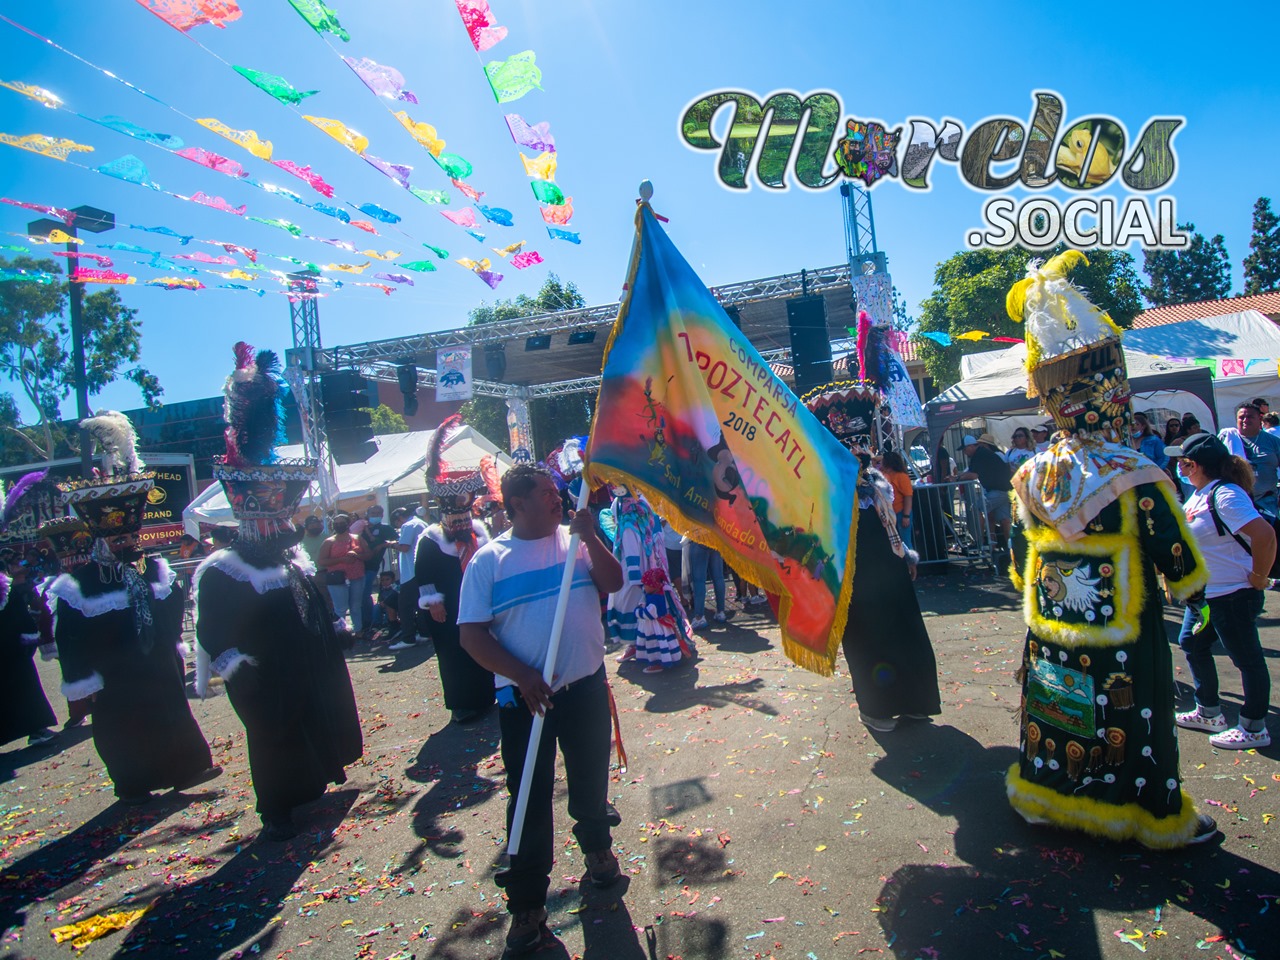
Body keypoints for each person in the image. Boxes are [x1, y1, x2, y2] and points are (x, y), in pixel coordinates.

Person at [1004, 250, 1215, 848]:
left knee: (1058, 703)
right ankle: (1149, 813)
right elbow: (1177, 557)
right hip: (1122, 628)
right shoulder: (1136, 473)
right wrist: (1195, 593)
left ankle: (1049, 796)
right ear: (1113, 395)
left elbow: (1024, 557)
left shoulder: (1033, 472)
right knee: (1129, 714)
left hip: (1052, 621)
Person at [194, 344, 362, 840]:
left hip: (305, 666)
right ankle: (277, 810)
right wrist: (237, 669)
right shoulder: (222, 570)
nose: (279, 523)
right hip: (264, 677)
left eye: (280, 514)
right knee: (272, 739)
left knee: (312, 724)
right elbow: (213, 631)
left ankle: (313, 785)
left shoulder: (293, 558)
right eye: (269, 515)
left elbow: (312, 601)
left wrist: (334, 630)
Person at [457, 464, 625, 955]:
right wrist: (523, 675)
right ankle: (528, 905)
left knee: (591, 779)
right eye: (548, 494)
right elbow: (471, 635)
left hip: (586, 687)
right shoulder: (490, 560)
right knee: (528, 795)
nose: (558, 499)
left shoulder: (572, 542)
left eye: (557, 491)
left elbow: (612, 582)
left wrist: (591, 538)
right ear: (517, 505)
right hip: (527, 701)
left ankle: (598, 851)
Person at [49, 412, 219, 804]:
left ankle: (187, 769)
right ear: (100, 539)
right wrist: (81, 681)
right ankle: (134, 784)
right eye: (118, 537)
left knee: (171, 716)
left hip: (157, 665)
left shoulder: (154, 567)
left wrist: (171, 645)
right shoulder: (79, 583)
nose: (126, 542)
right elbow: (69, 637)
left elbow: (173, 607)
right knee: (123, 728)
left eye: (130, 534)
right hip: (113, 676)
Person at [1167, 433, 1274, 749]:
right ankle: (1208, 710)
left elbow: (1264, 536)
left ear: (1194, 465)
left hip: (1234, 594)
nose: (1179, 467)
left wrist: (1258, 576)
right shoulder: (1200, 493)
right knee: (1191, 643)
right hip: (1207, 595)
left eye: (1182, 462)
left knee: (1247, 659)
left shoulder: (1226, 495)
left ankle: (1254, 728)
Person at [840, 450, 940, 732]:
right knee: (869, 640)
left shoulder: (874, 481)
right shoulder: (827, 486)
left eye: (863, 454)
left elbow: (888, 525)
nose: (862, 460)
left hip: (890, 570)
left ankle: (915, 701)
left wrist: (905, 555)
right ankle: (876, 707)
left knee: (905, 633)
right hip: (856, 578)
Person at [415, 415, 496, 723]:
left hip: (478, 604)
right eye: (455, 520)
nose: (460, 524)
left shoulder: (480, 535)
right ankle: (463, 704)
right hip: (448, 612)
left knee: (485, 649)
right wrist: (434, 603)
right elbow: (424, 576)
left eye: (464, 519)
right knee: (453, 655)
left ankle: (488, 696)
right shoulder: (431, 539)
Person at [957, 433, 1014, 563]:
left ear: (971, 446)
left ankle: (978, 540)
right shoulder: (983, 454)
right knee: (1005, 520)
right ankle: (1012, 548)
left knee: (976, 508)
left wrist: (958, 477)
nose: (965, 452)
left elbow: (973, 475)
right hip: (1003, 490)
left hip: (997, 491)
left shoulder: (980, 455)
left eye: (965, 449)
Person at [1218, 402, 1280, 518]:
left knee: (1270, 534)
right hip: (1236, 501)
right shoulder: (1226, 438)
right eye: (1241, 417)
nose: (1245, 420)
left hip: (1266, 501)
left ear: (1260, 418)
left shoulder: (1273, 442)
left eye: (1250, 417)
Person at [318, 514, 368, 634]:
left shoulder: (357, 538)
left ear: (348, 523)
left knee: (356, 606)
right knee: (340, 608)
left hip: (357, 576)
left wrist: (357, 556)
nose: (339, 525)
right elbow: (321, 561)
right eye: (336, 523)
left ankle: (358, 631)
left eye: (342, 523)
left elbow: (368, 555)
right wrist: (341, 560)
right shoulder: (329, 542)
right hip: (337, 579)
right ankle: (341, 633)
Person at [357, 504, 396, 637]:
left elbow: (397, 540)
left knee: (364, 594)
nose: (375, 515)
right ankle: (362, 623)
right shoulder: (361, 527)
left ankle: (369, 622)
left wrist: (382, 545)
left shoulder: (385, 528)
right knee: (357, 596)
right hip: (355, 565)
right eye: (373, 512)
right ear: (367, 513)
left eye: (378, 513)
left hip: (371, 566)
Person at [393, 506, 427, 649]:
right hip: (421, 569)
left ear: (399, 519)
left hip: (410, 573)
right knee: (422, 604)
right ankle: (425, 633)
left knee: (404, 606)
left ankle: (408, 638)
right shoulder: (421, 523)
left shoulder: (408, 525)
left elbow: (404, 547)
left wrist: (390, 544)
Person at [686, 539, 730, 629]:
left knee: (699, 581)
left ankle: (699, 617)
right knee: (718, 577)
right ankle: (721, 612)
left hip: (698, 539)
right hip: (714, 539)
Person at [880, 450, 915, 551]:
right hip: (891, 515)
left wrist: (906, 516)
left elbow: (908, 496)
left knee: (906, 543)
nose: (881, 463)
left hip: (901, 513)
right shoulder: (884, 474)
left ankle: (912, 566)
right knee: (897, 545)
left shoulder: (901, 476)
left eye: (883, 461)